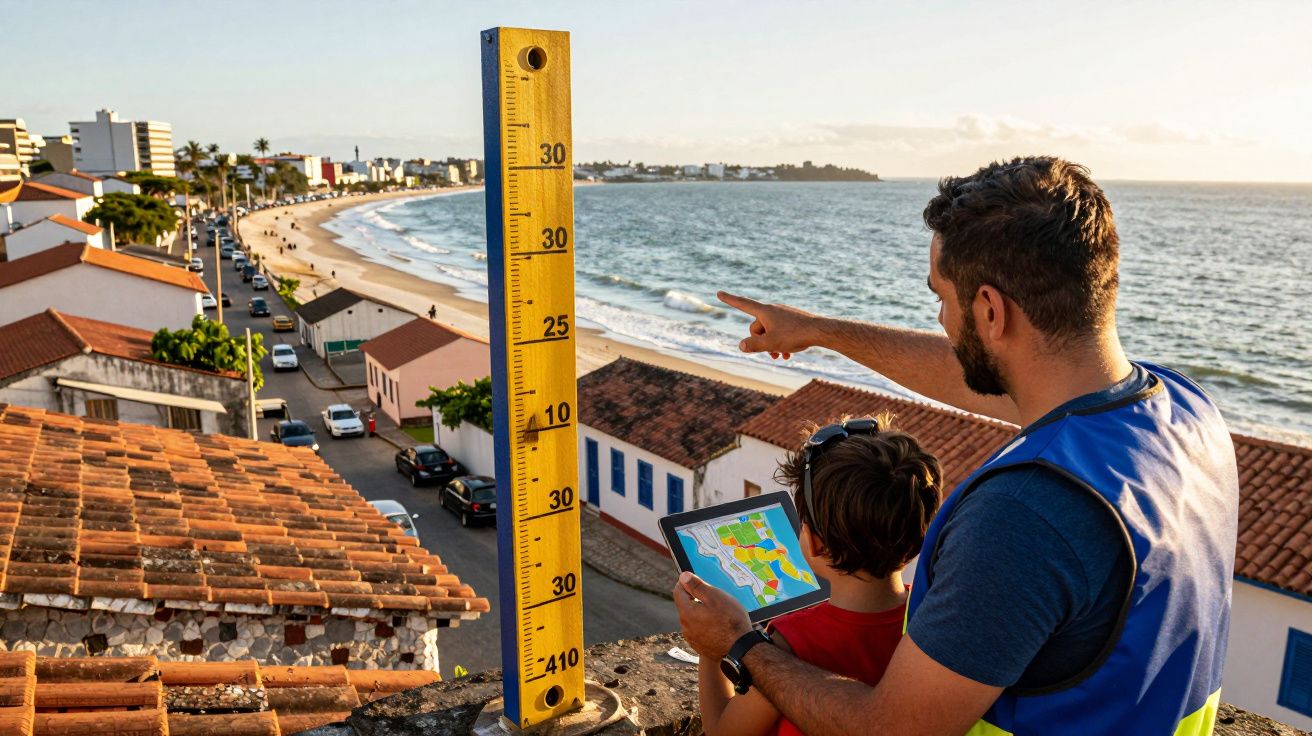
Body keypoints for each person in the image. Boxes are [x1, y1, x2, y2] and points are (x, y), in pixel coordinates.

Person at [675, 156, 1238, 735]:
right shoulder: (1185, 412)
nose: (941, 320)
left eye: (942, 299)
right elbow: (975, 373)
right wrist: (824, 332)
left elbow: (891, 730)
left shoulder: (1025, 514)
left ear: (991, 310)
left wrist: (740, 645)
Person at [698, 414, 942, 736]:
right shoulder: (933, 616)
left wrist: (710, 646)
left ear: (813, 542)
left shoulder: (787, 647)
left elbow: (720, 731)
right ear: (919, 540)